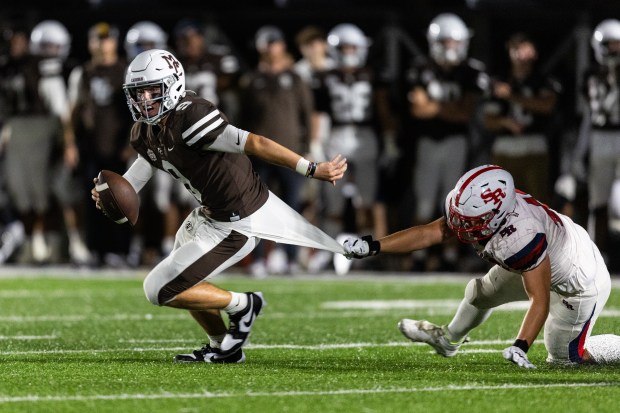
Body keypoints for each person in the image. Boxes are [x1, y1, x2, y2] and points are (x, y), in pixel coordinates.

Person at [91, 49, 347, 363]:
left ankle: (244, 304)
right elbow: (132, 185)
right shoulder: (143, 132)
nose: (144, 100)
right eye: (137, 93)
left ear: (172, 85)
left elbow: (255, 143)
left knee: (158, 288)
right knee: (186, 282)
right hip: (207, 216)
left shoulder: (191, 116)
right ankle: (221, 345)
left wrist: (310, 168)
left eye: (151, 91)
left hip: (239, 222)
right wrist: (107, 195)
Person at [342, 164, 620, 367]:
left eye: (472, 221)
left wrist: (520, 345)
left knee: (564, 359)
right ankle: (447, 340)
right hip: (549, 255)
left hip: (579, 279)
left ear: (498, 217)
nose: (462, 226)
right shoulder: (483, 209)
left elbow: (540, 299)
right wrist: (372, 246)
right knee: (480, 293)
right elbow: (430, 232)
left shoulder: (520, 236)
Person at [404, 13, 489, 271]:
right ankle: (420, 255)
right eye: (446, 42)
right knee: (424, 201)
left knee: (453, 202)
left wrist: (434, 107)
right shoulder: (421, 68)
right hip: (428, 142)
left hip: (456, 142)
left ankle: (449, 256)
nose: (451, 48)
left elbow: (465, 113)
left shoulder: (470, 71)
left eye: (455, 42)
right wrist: (447, 109)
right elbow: (417, 110)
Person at [238, 26, 314, 276]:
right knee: (256, 208)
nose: (272, 48)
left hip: (290, 153)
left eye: (275, 43)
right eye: (267, 44)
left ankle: (291, 258)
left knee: (291, 208)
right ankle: (258, 258)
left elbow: (308, 115)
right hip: (258, 155)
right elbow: (242, 119)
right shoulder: (251, 79)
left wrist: (308, 148)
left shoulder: (295, 78)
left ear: (282, 46)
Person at [68, 22, 134, 266]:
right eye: (98, 39)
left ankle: (121, 249)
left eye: (106, 39)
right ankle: (96, 250)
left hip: (118, 148)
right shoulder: (83, 72)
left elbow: (137, 112)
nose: (102, 44)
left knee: (121, 201)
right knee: (94, 201)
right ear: (90, 42)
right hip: (91, 148)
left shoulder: (126, 71)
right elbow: (73, 112)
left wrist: (131, 143)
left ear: (114, 42)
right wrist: (69, 144)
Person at [564, 19, 620, 264]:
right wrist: (579, 152)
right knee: (599, 202)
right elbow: (591, 115)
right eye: (611, 45)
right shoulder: (591, 75)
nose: (615, 50)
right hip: (600, 138)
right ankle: (598, 255)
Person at [484, 33, 561, 204]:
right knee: (501, 204)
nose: (521, 55)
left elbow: (546, 105)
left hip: (534, 144)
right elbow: (488, 120)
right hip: (505, 146)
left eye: (526, 49)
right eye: (517, 49)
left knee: (537, 205)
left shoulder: (543, 80)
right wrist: (506, 122)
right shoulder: (500, 80)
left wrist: (512, 96)